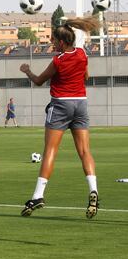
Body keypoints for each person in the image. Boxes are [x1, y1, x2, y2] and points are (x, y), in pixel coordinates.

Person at [19, 16, 100, 219]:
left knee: (50, 151)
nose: (52, 43)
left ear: (62, 42)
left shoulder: (58, 60)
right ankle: (94, 191)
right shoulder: (82, 54)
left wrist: (27, 71)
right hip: (81, 103)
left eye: (54, 40)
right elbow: (86, 77)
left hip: (61, 104)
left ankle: (38, 196)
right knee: (84, 151)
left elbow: (38, 81)